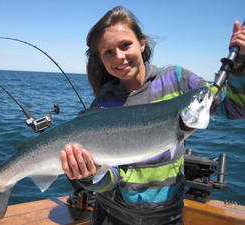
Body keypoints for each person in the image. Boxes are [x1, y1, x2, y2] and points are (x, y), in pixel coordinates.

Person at [60, 6, 245, 225]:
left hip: (168, 216)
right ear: (101, 58)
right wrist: (87, 176)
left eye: (125, 45)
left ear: (142, 43)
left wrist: (240, 65)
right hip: (112, 217)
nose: (119, 56)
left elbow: (235, 109)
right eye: (108, 51)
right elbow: (109, 180)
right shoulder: (104, 105)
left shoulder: (178, 80)